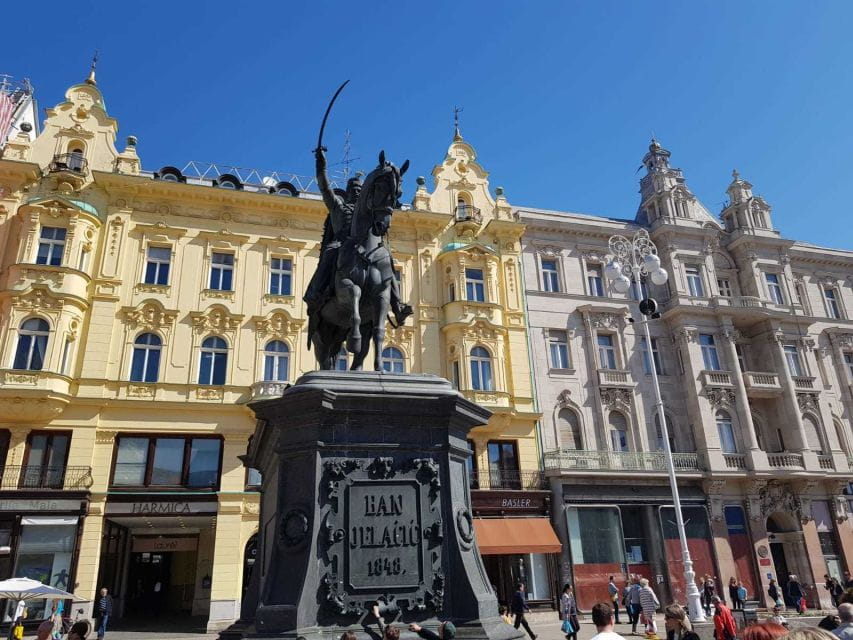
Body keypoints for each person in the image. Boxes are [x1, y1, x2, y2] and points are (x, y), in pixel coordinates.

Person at [305, 147, 412, 327]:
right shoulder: (338, 207)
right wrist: (321, 165)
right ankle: (316, 291)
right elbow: (324, 187)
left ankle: (397, 304)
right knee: (330, 252)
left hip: (365, 247)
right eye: (352, 189)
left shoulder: (369, 210)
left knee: (387, 258)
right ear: (347, 192)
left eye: (359, 189)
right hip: (341, 244)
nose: (356, 192)